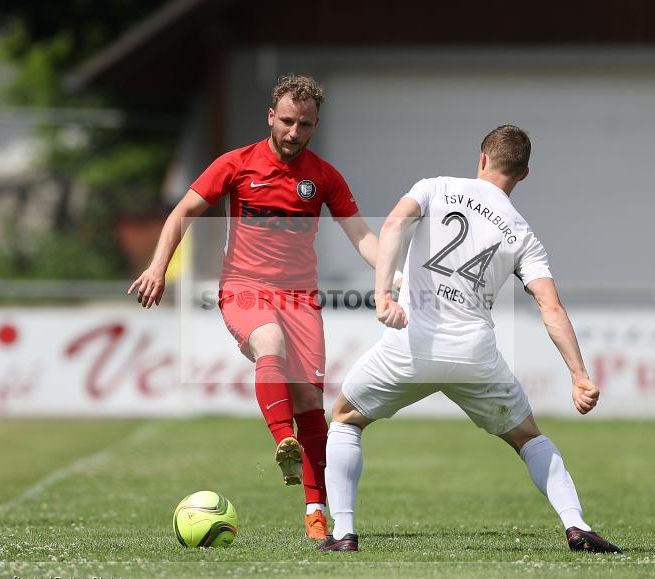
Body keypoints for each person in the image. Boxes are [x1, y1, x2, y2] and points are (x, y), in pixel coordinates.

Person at [318, 125, 621, 553]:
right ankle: (576, 524)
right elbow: (550, 307)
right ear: (524, 174)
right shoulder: (522, 234)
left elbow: (393, 224)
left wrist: (384, 294)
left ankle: (344, 533)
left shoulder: (434, 187)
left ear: (482, 158)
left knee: (346, 419)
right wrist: (579, 374)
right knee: (529, 437)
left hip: (410, 344)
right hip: (474, 355)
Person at [128, 74, 378, 540]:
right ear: (270, 116)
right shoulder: (237, 164)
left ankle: (315, 511)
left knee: (311, 403)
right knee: (270, 342)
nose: (293, 132)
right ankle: (282, 437)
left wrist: (394, 276)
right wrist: (158, 268)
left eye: (304, 125)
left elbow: (362, 236)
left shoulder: (323, 177)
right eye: (286, 121)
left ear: (315, 124)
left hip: (301, 297)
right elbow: (181, 212)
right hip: (245, 288)